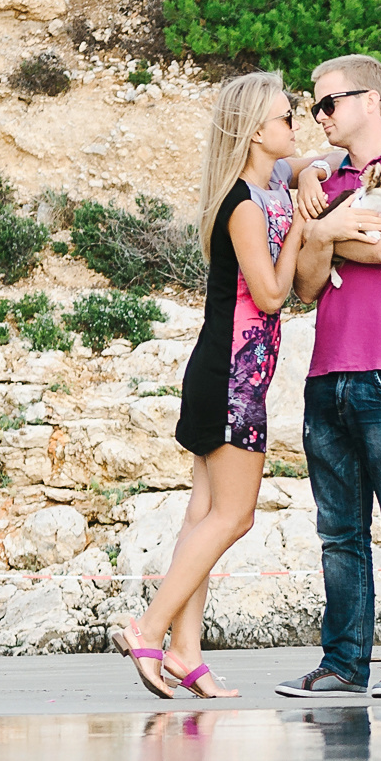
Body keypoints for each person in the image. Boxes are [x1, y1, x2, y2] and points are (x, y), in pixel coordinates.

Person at [114, 71, 316, 699]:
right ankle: (147, 628)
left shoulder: (273, 181)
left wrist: (306, 174)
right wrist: (307, 233)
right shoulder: (244, 207)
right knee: (234, 516)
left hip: (229, 370)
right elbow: (274, 294)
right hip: (231, 377)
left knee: (202, 513)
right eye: (286, 119)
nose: (296, 127)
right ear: (257, 131)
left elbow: (326, 157)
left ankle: (186, 651)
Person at [273, 53, 381, 703]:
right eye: (314, 105)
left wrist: (315, 233)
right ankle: (343, 663)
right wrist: (321, 226)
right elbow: (306, 283)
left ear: (370, 101)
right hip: (328, 376)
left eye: (329, 103)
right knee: (339, 532)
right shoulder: (324, 180)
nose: (319, 115)